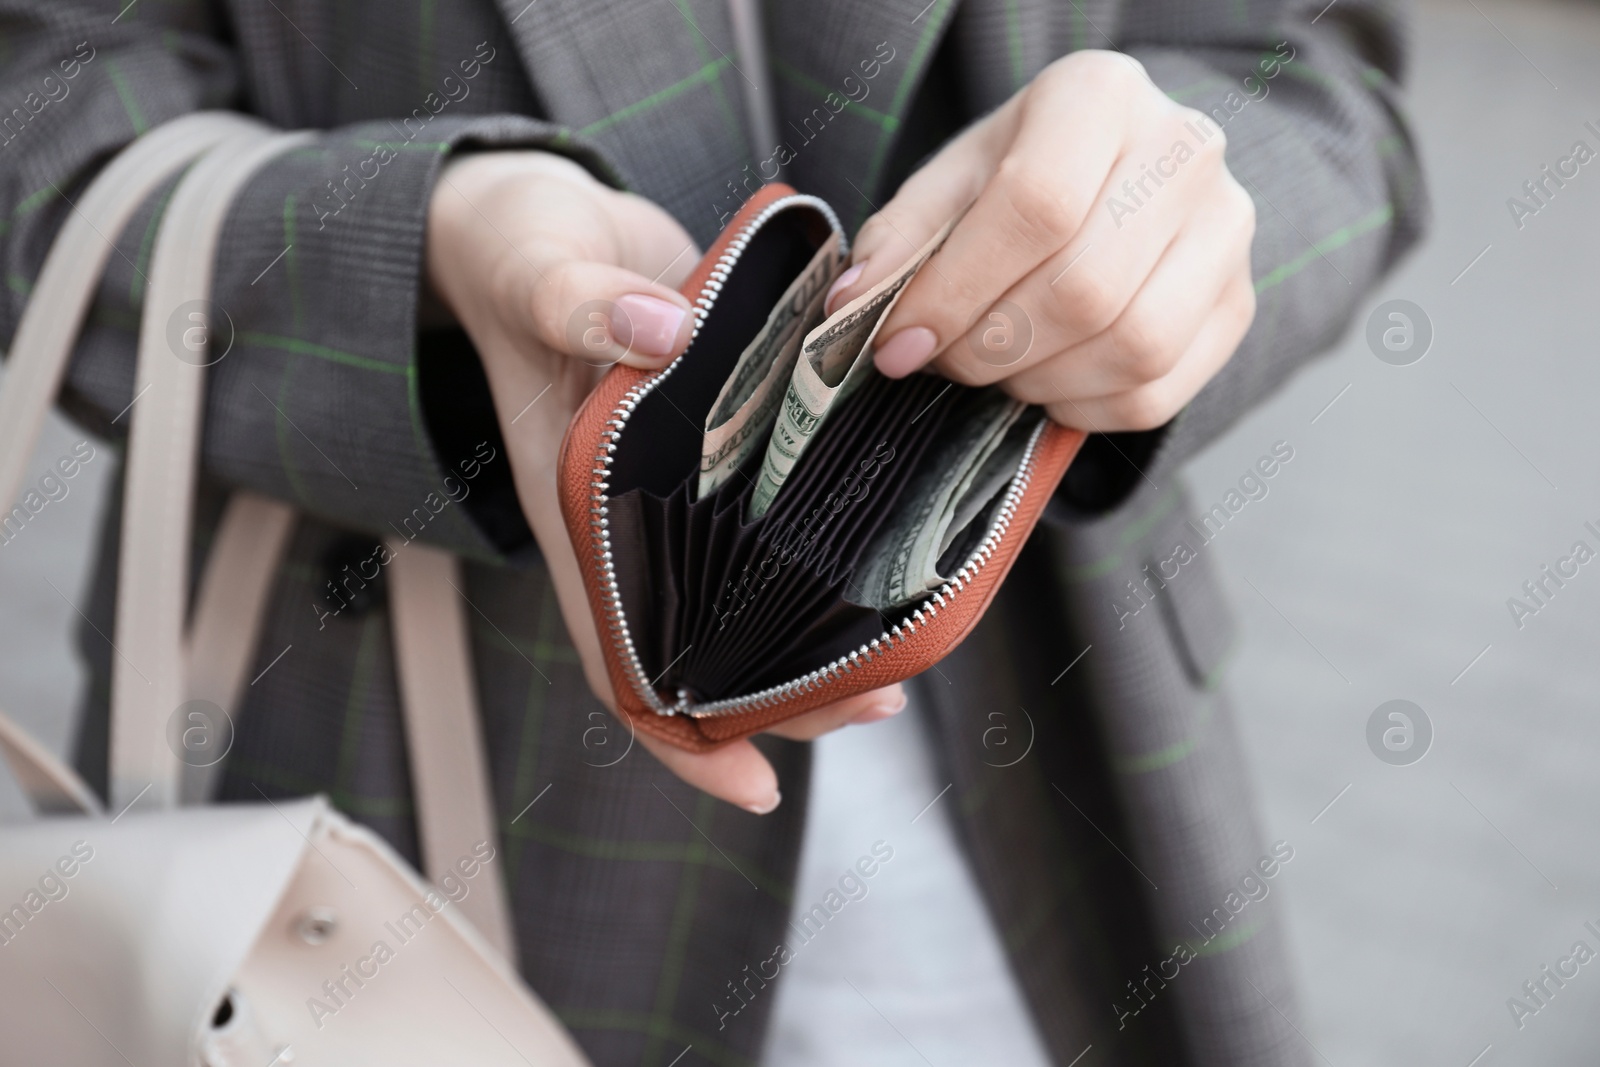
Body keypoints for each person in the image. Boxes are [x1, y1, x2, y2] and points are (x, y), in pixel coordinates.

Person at [0, 1, 1423, 1064]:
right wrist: (429, 242)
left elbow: (1317, 72)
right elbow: (47, 108)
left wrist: (1167, 225)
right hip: (394, 802)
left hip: (1056, 780)